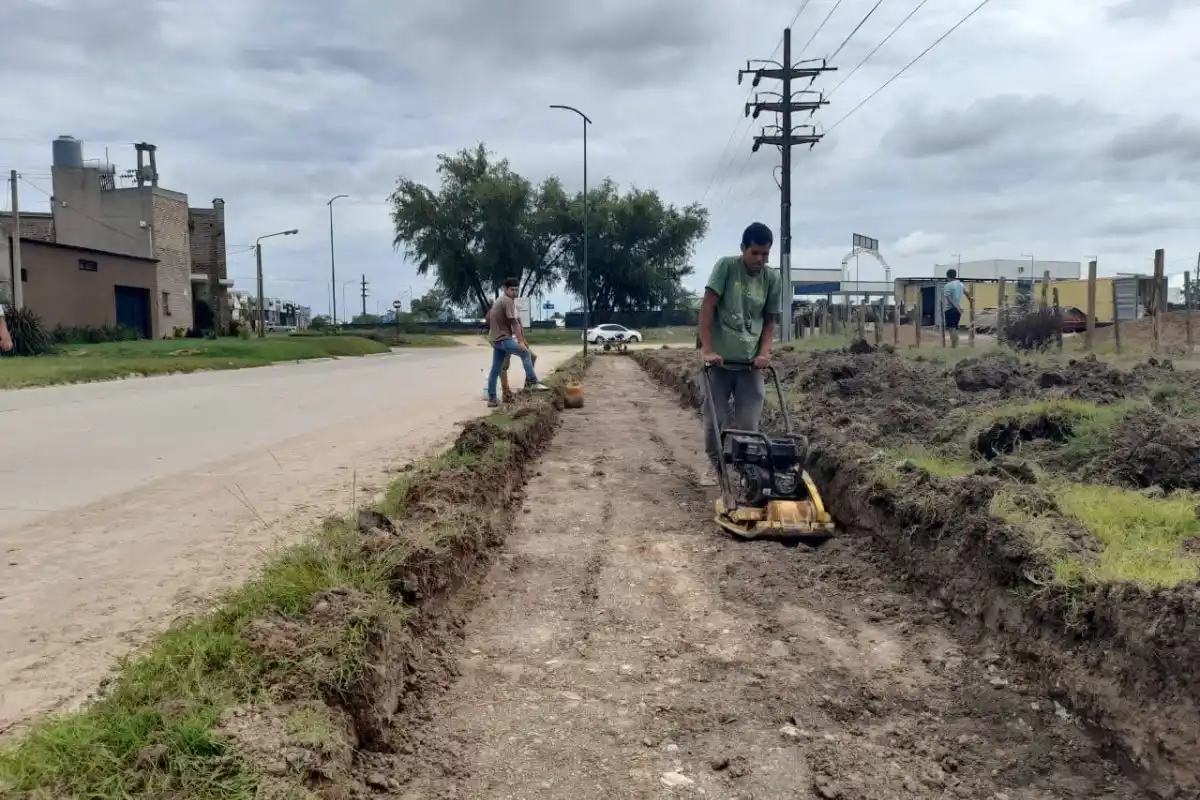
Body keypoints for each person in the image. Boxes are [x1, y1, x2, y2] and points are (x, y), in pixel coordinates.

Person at [697, 221, 781, 487]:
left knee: (749, 426)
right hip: (720, 365)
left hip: (750, 366)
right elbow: (707, 308)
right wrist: (708, 349)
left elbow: (769, 322)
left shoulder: (772, 279)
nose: (760, 259)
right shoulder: (726, 268)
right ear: (743, 248)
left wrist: (765, 353)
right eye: (755, 253)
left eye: (765, 254)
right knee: (715, 421)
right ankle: (716, 467)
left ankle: (747, 475)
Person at [486, 278, 548, 407]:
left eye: (516, 290)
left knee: (496, 369)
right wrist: (521, 342)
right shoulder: (507, 301)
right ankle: (532, 381)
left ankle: (492, 399)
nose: (514, 292)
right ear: (505, 289)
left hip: (495, 339)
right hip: (503, 339)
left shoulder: (500, 301)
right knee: (525, 353)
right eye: (512, 289)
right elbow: (515, 323)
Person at [943, 268, 966, 348]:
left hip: (951, 309)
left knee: (951, 328)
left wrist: (955, 306)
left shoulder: (948, 285)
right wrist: (970, 299)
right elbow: (965, 292)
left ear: (947, 276)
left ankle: (954, 345)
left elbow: (949, 298)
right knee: (955, 328)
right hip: (958, 309)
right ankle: (955, 345)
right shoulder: (961, 284)